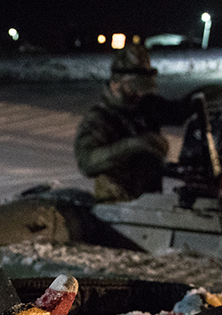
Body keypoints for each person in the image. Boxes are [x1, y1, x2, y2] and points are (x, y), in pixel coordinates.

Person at [74, 43, 196, 203]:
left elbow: (179, 112)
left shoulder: (145, 106)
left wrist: (206, 97)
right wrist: (133, 145)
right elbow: (87, 163)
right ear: (115, 84)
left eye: (142, 87)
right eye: (133, 87)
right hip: (116, 208)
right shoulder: (99, 118)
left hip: (149, 204)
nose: (140, 93)